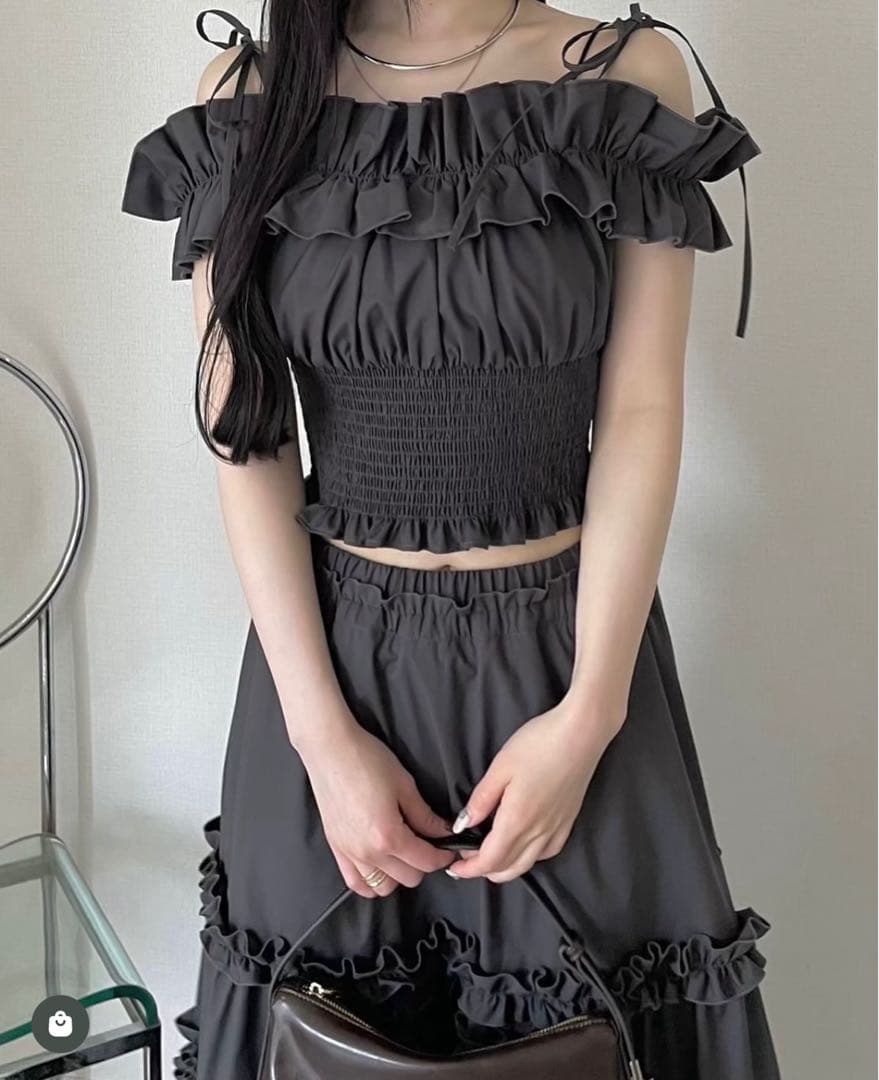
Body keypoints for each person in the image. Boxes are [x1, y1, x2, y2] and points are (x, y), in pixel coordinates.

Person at [120, 2, 780, 1077]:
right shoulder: (248, 99)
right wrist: (323, 742)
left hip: (565, 658)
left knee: (597, 1035)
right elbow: (246, 439)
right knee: (313, 1036)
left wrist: (590, 715)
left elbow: (642, 411)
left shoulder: (621, 76)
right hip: (330, 671)